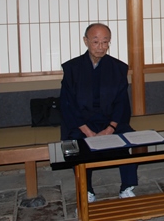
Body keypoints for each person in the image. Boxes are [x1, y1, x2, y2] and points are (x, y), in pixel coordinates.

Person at [60, 23, 138, 201]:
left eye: (105, 42)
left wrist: (110, 128)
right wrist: (87, 131)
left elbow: (121, 103)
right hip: (81, 124)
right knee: (78, 147)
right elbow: (67, 104)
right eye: (96, 42)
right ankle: (86, 189)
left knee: (133, 141)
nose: (101, 47)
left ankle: (127, 186)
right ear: (85, 41)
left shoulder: (118, 68)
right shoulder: (72, 68)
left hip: (110, 122)